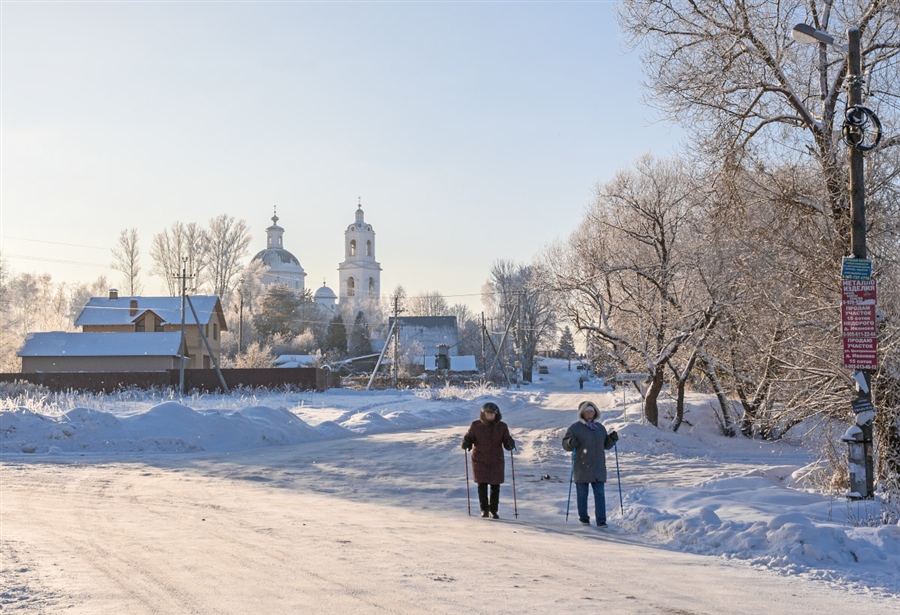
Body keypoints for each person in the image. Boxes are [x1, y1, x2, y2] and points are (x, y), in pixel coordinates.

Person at [561, 401, 618, 527]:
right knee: (582, 495)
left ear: (595, 412)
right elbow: (565, 444)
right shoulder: (575, 428)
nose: (589, 414)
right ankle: (584, 518)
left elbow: (605, 445)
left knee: (600, 494)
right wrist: (571, 442)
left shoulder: (600, 428)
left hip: (598, 468)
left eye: (591, 411)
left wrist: (611, 439)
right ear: (582, 413)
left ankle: (601, 521)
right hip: (582, 467)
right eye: (587, 411)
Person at [461, 402, 515, 519]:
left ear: (496, 414)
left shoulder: (502, 427)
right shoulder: (476, 426)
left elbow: (506, 442)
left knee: (495, 486)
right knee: (482, 485)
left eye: (491, 414)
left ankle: (493, 510)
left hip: (496, 459)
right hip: (479, 459)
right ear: (483, 414)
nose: (489, 416)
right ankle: (484, 509)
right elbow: (469, 437)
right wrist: (466, 443)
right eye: (487, 414)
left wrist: (510, 444)